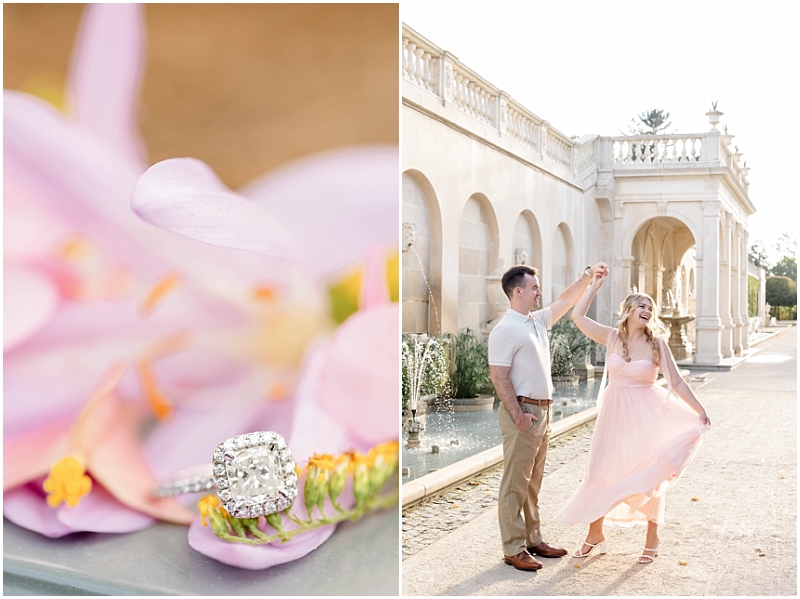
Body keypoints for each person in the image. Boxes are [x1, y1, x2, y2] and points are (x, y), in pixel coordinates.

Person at [555, 269, 711, 564]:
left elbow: (676, 382)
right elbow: (577, 316)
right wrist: (594, 285)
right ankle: (595, 533)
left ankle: (652, 538)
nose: (647, 310)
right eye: (642, 305)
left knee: (649, 471)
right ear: (627, 311)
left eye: (650, 307)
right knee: (601, 470)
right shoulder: (612, 337)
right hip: (614, 415)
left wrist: (699, 409)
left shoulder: (657, 344)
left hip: (646, 416)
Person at [489, 262, 609, 571]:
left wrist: (587, 277)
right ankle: (513, 548)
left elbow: (565, 300)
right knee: (515, 484)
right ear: (519, 291)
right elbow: (499, 376)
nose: (539, 292)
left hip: (542, 412)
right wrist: (518, 415)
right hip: (524, 412)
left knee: (532, 483)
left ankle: (532, 539)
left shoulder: (536, 321)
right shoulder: (505, 329)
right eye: (534, 287)